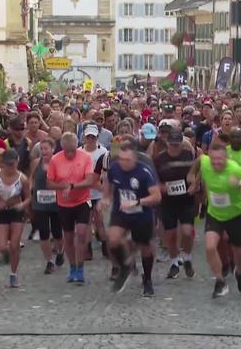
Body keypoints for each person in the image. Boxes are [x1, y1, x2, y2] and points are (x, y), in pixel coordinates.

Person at [191, 143, 241, 298]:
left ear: (226, 158)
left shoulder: (234, 169)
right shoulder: (206, 162)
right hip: (215, 214)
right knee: (209, 247)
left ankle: (239, 273)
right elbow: (199, 159)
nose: (217, 163)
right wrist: (193, 177)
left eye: (220, 160)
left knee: (239, 252)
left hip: (235, 215)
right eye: (214, 160)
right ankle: (220, 281)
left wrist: (240, 183)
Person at [100, 141, 162, 296]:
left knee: (145, 247)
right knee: (112, 239)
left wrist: (138, 201)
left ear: (134, 158)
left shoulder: (144, 172)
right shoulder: (114, 168)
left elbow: (156, 196)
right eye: (121, 159)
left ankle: (147, 279)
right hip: (121, 211)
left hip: (142, 213)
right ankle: (125, 266)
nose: (123, 163)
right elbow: (108, 180)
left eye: (127, 160)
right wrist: (106, 197)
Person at [47, 132, 96, 283]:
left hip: (82, 200)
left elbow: (89, 181)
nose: (69, 153)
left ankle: (80, 268)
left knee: (81, 233)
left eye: (72, 150)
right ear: (62, 148)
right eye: (67, 151)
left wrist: (72, 186)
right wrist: (62, 187)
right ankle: (73, 267)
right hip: (64, 203)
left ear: (77, 147)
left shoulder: (85, 157)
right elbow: (49, 183)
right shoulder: (55, 159)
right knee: (67, 238)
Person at [154, 129, 196, 279]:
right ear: (167, 143)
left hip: (185, 200)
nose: (174, 147)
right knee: (170, 235)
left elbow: (195, 173)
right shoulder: (159, 159)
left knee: (186, 231)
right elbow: (154, 181)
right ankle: (174, 263)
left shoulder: (188, 155)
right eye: (172, 145)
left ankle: (187, 258)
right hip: (168, 201)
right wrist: (161, 187)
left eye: (177, 145)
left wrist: (194, 185)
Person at [0, 149, 31, 288]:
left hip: (15, 212)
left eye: (13, 164)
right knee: (1, 246)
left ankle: (13, 274)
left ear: (17, 162)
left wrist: (22, 205)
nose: (10, 167)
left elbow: (29, 198)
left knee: (14, 245)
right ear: (3, 163)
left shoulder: (23, 179)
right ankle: (6, 255)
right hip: (2, 212)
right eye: (8, 164)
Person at [29, 138, 64, 273]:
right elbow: (32, 177)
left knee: (57, 233)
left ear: (52, 149)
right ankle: (49, 262)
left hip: (56, 203)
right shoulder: (36, 163)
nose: (43, 151)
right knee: (43, 233)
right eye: (41, 149)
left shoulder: (59, 163)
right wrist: (32, 188)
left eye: (46, 148)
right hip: (40, 203)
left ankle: (60, 251)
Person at [82, 124, 109, 261]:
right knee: (86, 222)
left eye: (93, 136)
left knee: (100, 222)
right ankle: (87, 249)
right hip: (84, 193)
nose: (91, 139)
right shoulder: (80, 151)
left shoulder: (103, 152)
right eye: (89, 137)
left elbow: (103, 174)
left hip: (98, 192)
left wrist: (103, 189)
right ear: (85, 137)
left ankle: (106, 247)